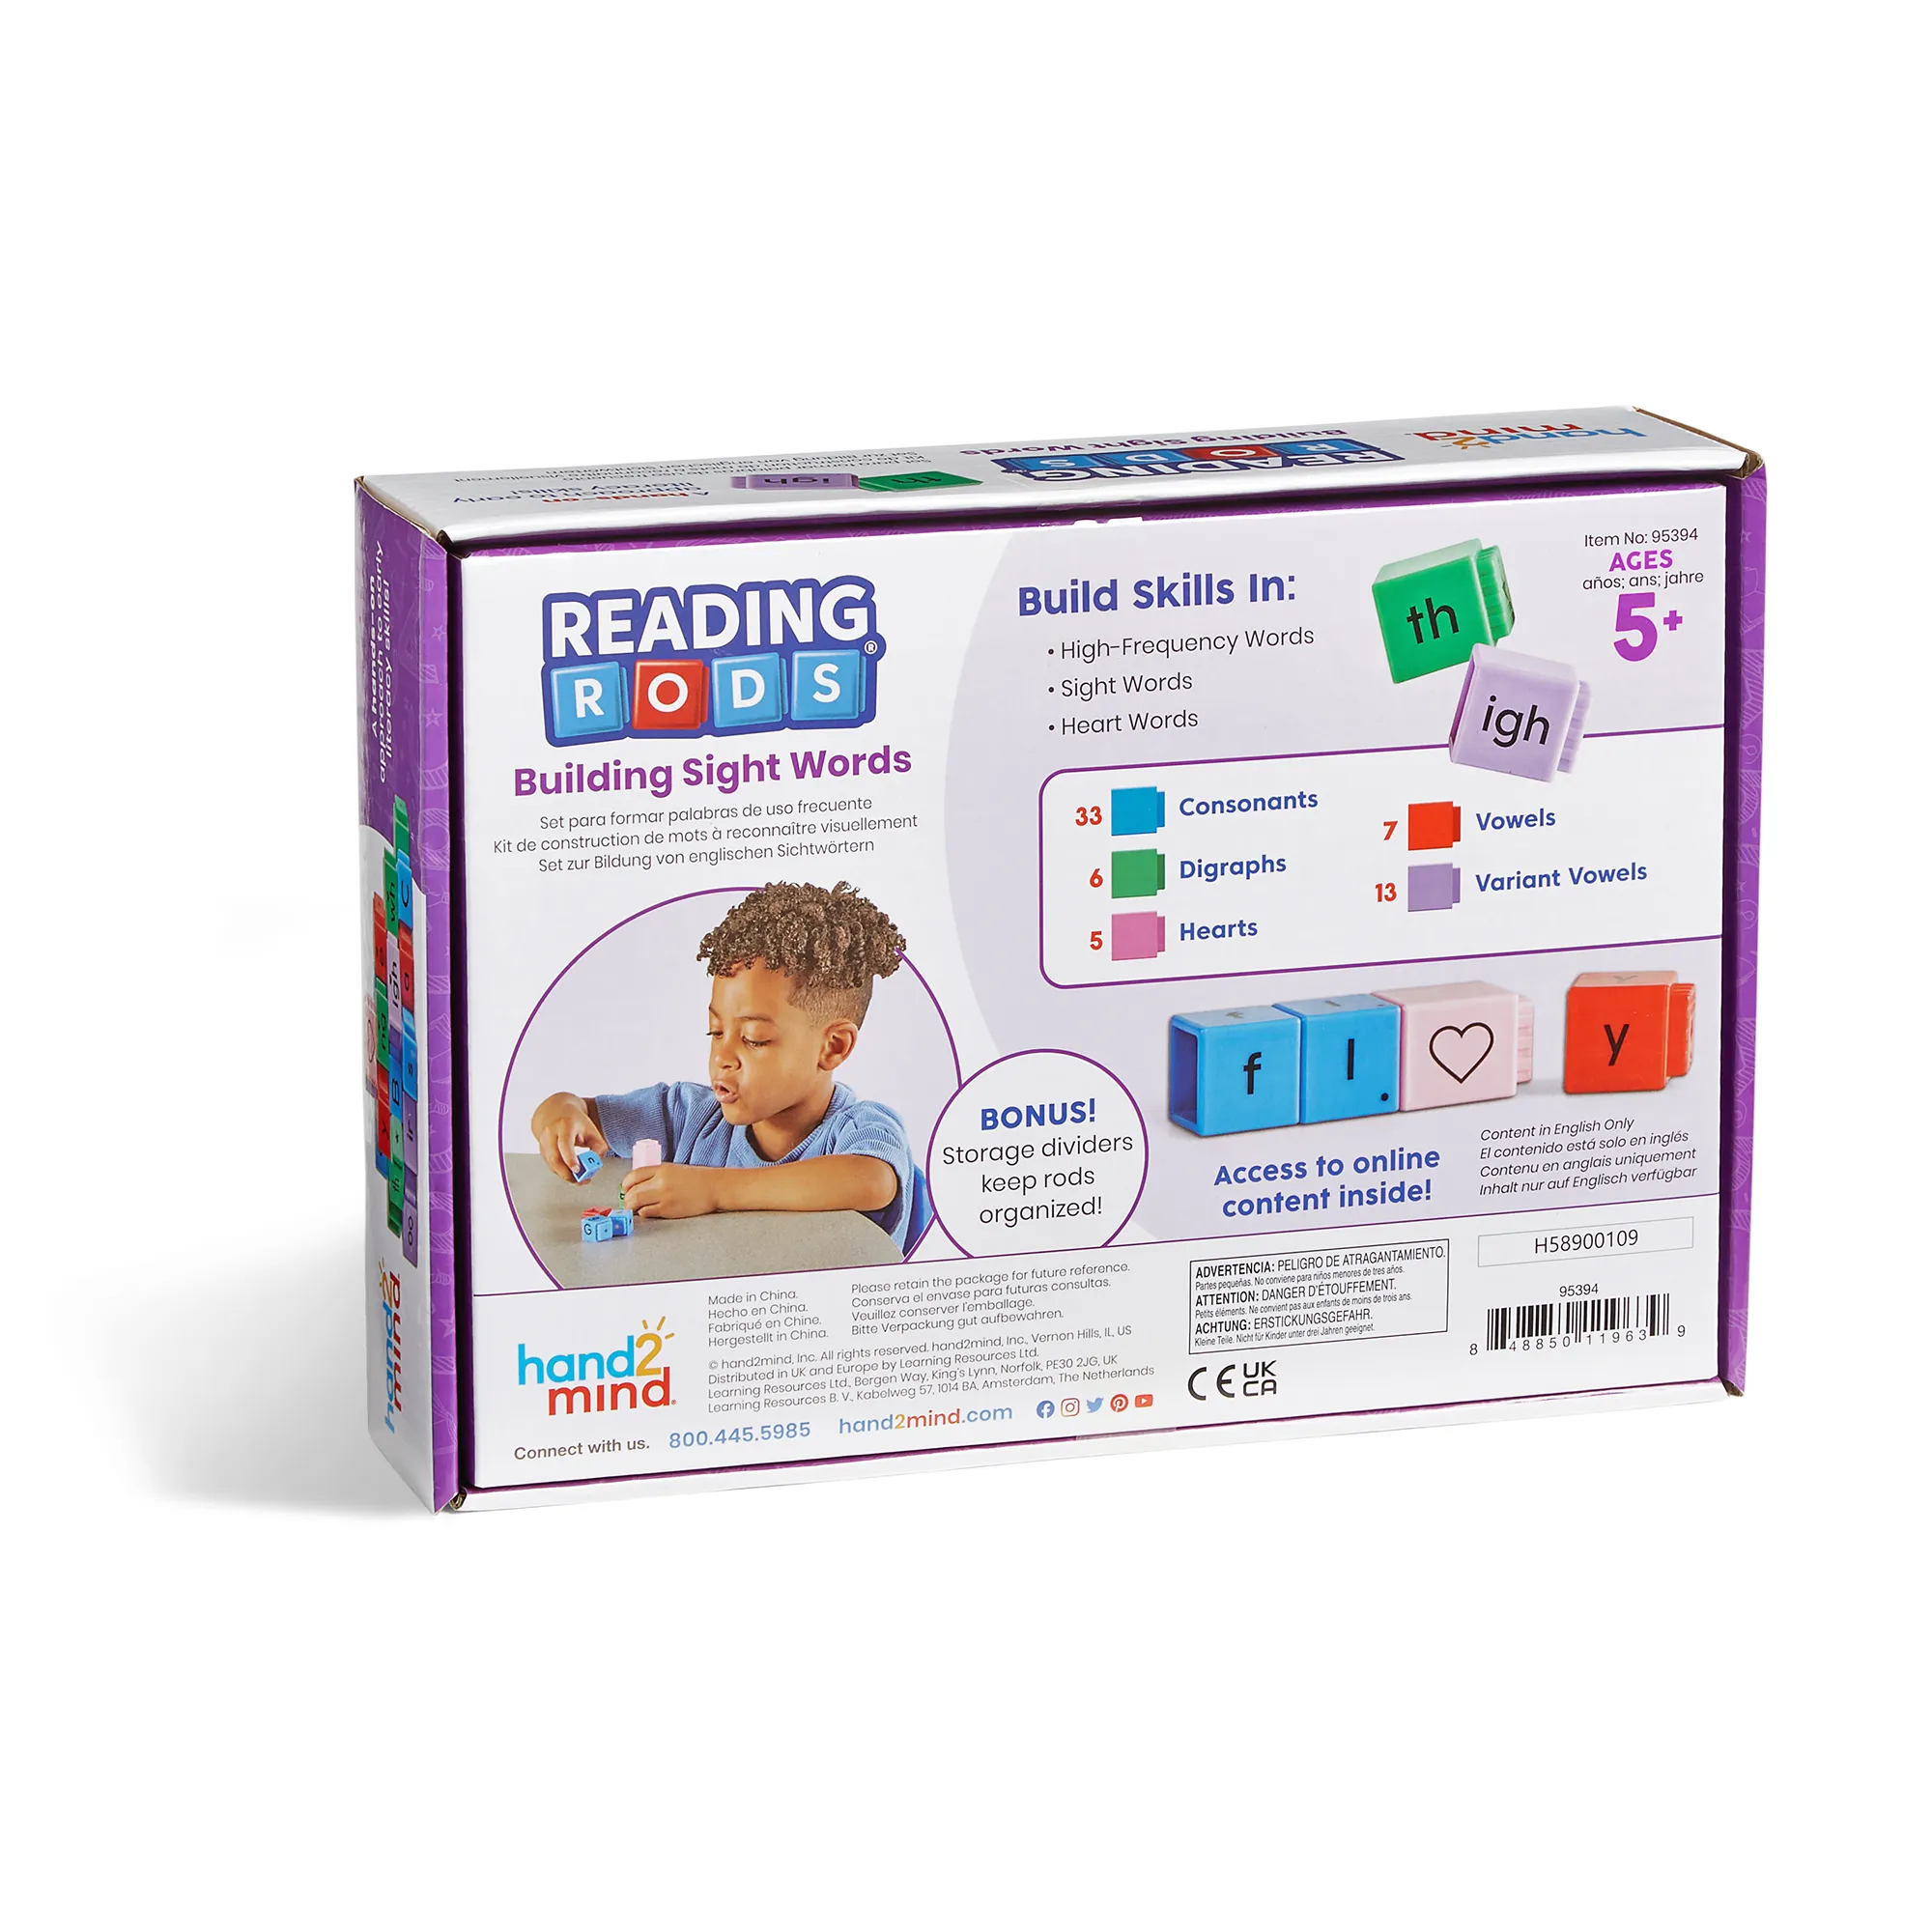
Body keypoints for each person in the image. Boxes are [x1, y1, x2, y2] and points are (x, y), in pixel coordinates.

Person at [529, 881, 918, 1249]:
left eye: (754, 1038)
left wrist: (711, 1190)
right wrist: (560, 1113)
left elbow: (872, 1181)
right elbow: (578, 1113)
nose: (722, 1057)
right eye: (715, 1032)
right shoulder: (689, 1117)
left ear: (833, 1047)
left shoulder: (859, 1129)